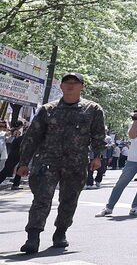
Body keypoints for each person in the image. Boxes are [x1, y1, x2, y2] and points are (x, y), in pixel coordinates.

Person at [15, 72, 106, 253]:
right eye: (67, 82)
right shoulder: (47, 110)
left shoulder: (93, 110)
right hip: (47, 161)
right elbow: (32, 137)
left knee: (69, 200)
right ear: (61, 86)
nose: (71, 85)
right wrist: (24, 162)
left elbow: (98, 136)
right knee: (41, 199)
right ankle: (33, 237)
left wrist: (97, 157)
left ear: (82, 86)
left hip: (76, 162)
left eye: (75, 83)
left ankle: (60, 232)